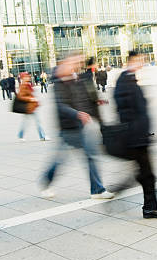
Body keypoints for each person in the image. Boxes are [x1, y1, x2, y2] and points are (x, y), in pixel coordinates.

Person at [41, 53, 113, 200]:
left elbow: (85, 99)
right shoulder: (58, 82)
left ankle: (97, 190)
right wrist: (77, 114)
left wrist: (96, 105)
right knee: (60, 161)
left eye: (78, 62)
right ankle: (46, 182)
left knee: (91, 156)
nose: (76, 65)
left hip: (82, 127)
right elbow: (60, 105)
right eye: (73, 62)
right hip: (67, 129)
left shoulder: (76, 79)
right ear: (63, 63)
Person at [115, 51, 157, 219]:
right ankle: (150, 208)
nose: (142, 63)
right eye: (139, 60)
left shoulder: (129, 79)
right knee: (147, 175)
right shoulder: (125, 81)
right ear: (131, 61)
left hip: (138, 136)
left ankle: (120, 191)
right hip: (136, 138)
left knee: (142, 174)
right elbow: (124, 110)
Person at [16, 72, 46, 141]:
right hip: (28, 106)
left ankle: (21, 135)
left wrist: (35, 100)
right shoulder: (23, 86)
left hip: (32, 106)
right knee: (34, 121)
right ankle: (42, 136)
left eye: (28, 76)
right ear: (23, 78)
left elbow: (31, 94)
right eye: (26, 77)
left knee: (28, 122)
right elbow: (20, 96)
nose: (28, 77)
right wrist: (30, 99)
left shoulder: (28, 85)